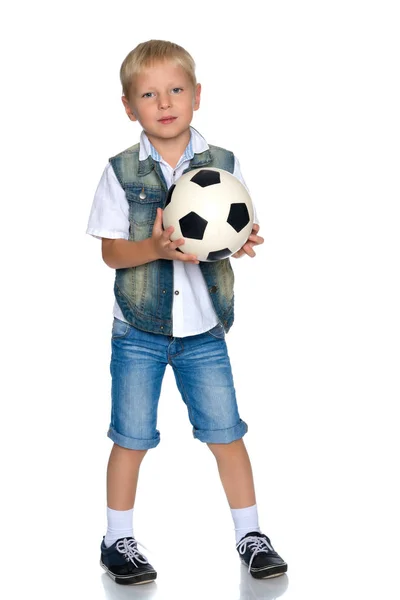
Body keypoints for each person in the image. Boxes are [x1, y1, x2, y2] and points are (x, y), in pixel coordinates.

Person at [86, 39, 287, 585]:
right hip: (139, 330)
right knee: (131, 437)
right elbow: (110, 252)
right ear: (130, 107)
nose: (165, 101)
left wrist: (239, 241)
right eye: (149, 94)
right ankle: (116, 539)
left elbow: (232, 227)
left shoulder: (223, 164)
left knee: (227, 433)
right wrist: (151, 248)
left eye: (176, 89)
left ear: (197, 95)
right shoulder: (120, 171)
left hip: (204, 331)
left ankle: (251, 535)